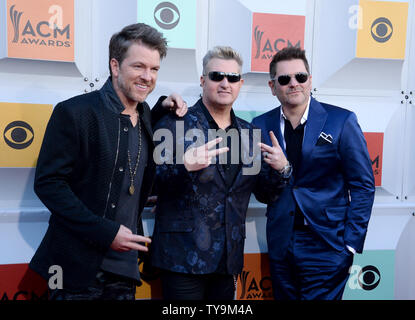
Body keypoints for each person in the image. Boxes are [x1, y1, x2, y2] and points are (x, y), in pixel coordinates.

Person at [29, 23, 187, 300]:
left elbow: (139, 120)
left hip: (125, 271)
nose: (147, 76)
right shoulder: (75, 113)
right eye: (138, 66)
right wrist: (106, 232)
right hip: (73, 269)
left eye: (154, 69)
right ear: (115, 66)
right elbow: (48, 184)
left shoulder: (147, 115)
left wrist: (164, 104)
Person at [150, 46, 291, 300]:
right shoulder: (175, 123)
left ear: (240, 83)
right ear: (203, 81)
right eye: (217, 76)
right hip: (182, 259)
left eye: (233, 78)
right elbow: (148, 183)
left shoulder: (250, 134)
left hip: (228, 258)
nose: (225, 83)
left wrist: (282, 170)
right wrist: (183, 167)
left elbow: (265, 194)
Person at [252, 47, 375, 300]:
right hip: (281, 243)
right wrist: (280, 171)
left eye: (301, 77)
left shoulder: (340, 121)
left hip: (327, 244)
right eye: (284, 79)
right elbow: (261, 192)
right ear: (273, 86)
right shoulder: (261, 126)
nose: (294, 84)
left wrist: (350, 243)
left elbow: (363, 185)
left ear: (310, 80)